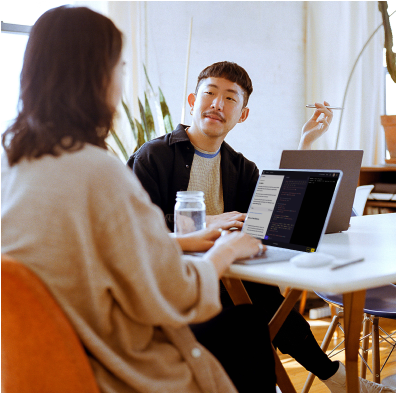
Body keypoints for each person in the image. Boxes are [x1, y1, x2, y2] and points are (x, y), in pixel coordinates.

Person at [1, 7, 278, 393]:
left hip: (41, 363)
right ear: (99, 78)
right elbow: (176, 294)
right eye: (121, 69)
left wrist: (177, 242)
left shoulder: (10, 164)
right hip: (111, 363)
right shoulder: (100, 171)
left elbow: (86, 252)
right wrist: (225, 253)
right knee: (245, 325)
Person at [128, 61, 394, 393]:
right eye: (210, 94)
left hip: (232, 273)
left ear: (242, 115)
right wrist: (208, 222)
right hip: (173, 279)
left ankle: (334, 377)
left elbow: (275, 219)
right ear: (192, 101)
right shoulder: (153, 156)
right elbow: (135, 228)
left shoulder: (242, 168)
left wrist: (305, 143)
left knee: (266, 302)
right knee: (259, 311)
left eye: (230, 98)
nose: (217, 104)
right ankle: (335, 377)